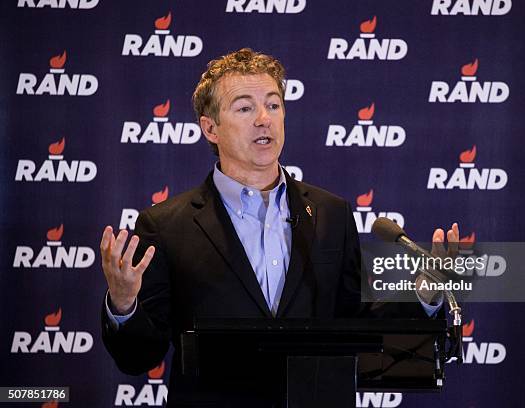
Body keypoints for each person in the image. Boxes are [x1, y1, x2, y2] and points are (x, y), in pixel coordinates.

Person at [100, 48, 460, 407]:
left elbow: (357, 326)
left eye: (273, 105)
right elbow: (137, 359)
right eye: (244, 107)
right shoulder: (165, 225)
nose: (263, 119)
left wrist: (424, 294)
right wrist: (123, 303)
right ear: (210, 128)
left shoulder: (330, 214)